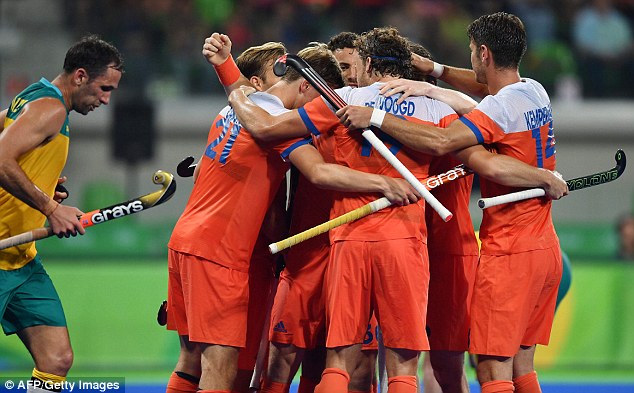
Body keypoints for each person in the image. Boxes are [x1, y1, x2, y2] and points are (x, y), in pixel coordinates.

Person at [164, 40, 419, 393]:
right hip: (219, 254)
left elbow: (240, 92)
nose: (313, 117)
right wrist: (385, 184)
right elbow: (319, 174)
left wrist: (226, 71)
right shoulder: (278, 127)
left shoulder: (240, 107)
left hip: (185, 242)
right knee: (219, 368)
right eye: (316, 102)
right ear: (305, 86)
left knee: (190, 362)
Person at [336, 12, 569, 393]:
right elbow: (484, 93)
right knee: (521, 368)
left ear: (483, 53)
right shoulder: (533, 90)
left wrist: (376, 115)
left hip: (509, 251)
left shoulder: (495, 109)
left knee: (493, 372)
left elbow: (448, 143)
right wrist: (435, 80)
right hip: (543, 246)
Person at [0, 35, 123, 392]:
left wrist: (41, 182)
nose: (106, 99)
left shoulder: (32, 98)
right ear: (80, 76)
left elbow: (11, 151)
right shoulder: (49, 108)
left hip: (20, 263)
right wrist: (51, 207)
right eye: (104, 88)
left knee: (56, 359)